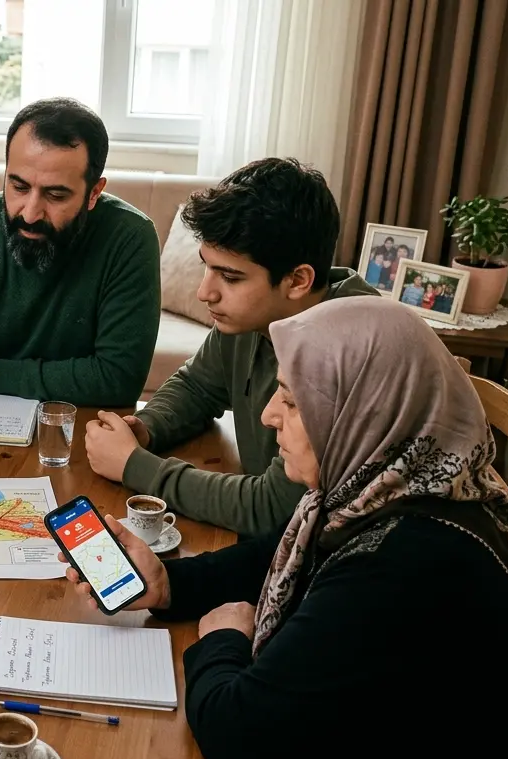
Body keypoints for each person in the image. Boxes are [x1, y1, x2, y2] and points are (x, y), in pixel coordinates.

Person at [63, 296, 508, 759]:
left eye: (291, 401)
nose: (269, 415)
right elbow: (272, 557)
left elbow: (239, 736)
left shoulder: (402, 564)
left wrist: (220, 640)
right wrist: (169, 585)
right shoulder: (382, 489)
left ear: (363, 415)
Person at [83, 158, 378, 536]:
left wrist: (135, 465)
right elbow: (198, 386)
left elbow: (273, 508)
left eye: (230, 277)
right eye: (207, 267)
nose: (205, 292)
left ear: (298, 280)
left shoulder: (344, 350)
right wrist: (146, 428)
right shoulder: (257, 318)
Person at [0, 97, 161, 496]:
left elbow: (118, 378)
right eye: (18, 186)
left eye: (56, 196)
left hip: (84, 445)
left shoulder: (131, 238)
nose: (30, 211)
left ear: (94, 193)